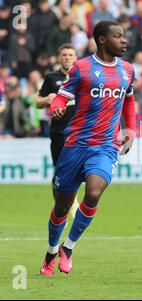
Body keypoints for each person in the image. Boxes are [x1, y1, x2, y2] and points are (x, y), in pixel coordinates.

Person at [39, 20, 136, 276]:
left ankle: (68, 248)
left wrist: (132, 129)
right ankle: (51, 251)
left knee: (93, 194)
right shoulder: (81, 68)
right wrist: (56, 106)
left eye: (124, 36)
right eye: (118, 36)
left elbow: (129, 101)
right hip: (74, 146)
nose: (124, 40)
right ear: (102, 40)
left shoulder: (127, 70)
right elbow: (62, 95)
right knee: (61, 207)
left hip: (105, 146)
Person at [36, 43, 79, 217]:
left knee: (76, 170)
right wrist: (46, 99)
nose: (67, 57)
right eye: (64, 55)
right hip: (59, 132)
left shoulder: (81, 77)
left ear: (75, 57)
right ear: (59, 57)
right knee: (59, 171)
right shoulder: (51, 78)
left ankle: (72, 204)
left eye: (70, 55)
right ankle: (61, 207)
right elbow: (37, 102)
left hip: (78, 131)